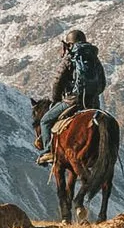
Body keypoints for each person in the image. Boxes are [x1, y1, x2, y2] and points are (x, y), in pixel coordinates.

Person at [36, 29, 108, 157]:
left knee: (45, 121)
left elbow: (57, 81)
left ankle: (49, 152)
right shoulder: (94, 59)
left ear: (69, 44)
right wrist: (92, 96)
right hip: (93, 104)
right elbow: (102, 84)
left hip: (72, 102)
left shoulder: (70, 58)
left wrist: (57, 100)